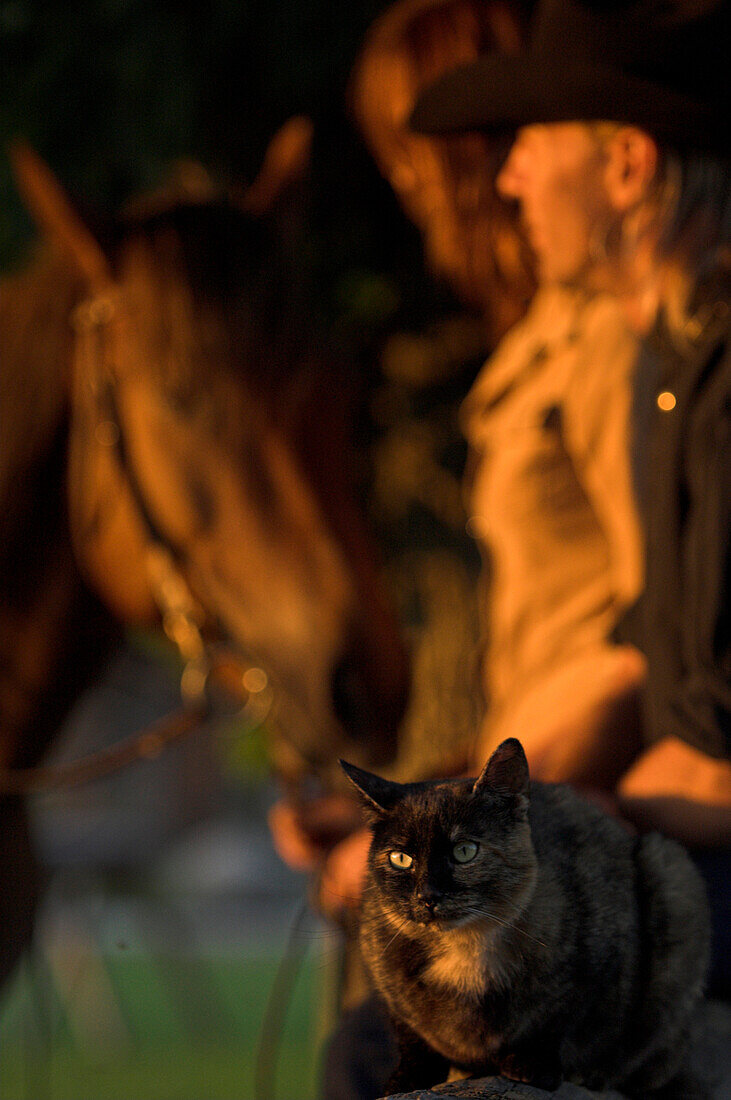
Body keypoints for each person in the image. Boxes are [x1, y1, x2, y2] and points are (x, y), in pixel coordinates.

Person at [412, 0, 730, 992]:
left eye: (529, 146)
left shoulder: (715, 379)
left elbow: (711, 745)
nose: (504, 179)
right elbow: (653, 639)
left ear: (626, 166)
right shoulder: (664, 371)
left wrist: (543, 830)